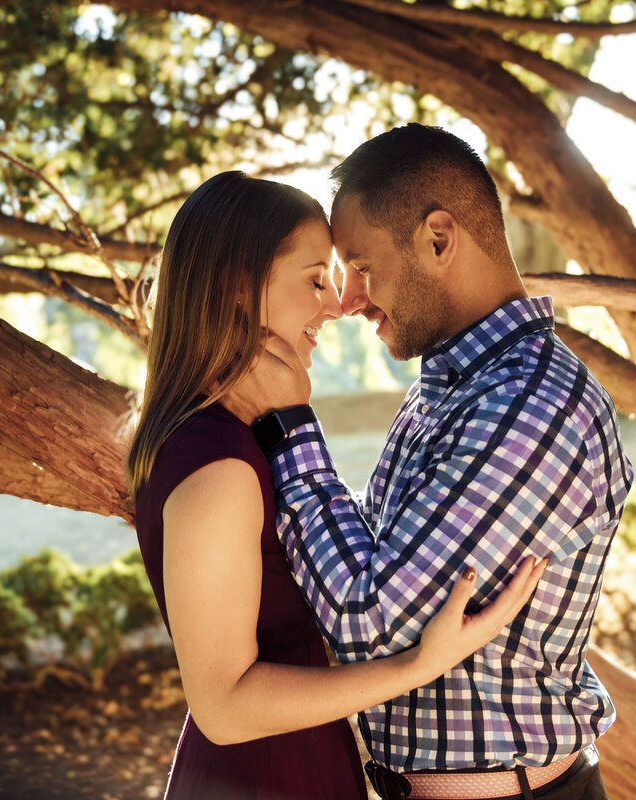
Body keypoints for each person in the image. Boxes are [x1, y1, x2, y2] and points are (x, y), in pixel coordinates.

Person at [226, 125, 634, 800]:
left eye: (360, 268)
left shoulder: (528, 406)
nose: (347, 301)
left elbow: (368, 620)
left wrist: (293, 429)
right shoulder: (448, 389)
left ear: (439, 240)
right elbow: (377, 551)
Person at [125, 170, 551, 800]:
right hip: (265, 779)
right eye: (315, 280)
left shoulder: (237, 438)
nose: (335, 304)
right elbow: (224, 706)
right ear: (236, 287)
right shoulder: (221, 468)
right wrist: (419, 664)